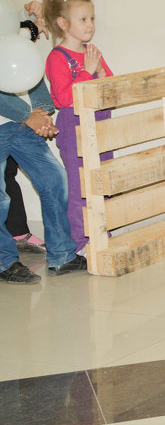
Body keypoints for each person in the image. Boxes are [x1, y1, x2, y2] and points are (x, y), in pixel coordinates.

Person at [42, 0, 111, 264]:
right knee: (80, 184)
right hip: (74, 126)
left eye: (91, 18)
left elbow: (108, 83)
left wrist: (101, 75)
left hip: (100, 122)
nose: (90, 24)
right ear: (62, 23)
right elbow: (64, 97)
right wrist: (88, 72)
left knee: (102, 180)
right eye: (82, 19)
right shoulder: (57, 57)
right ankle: (82, 242)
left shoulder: (92, 52)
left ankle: (104, 231)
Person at [0, 69, 81, 281]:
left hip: (23, 124)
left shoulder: (18, 34)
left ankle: (62, 255)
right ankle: (3, 263)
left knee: (54, 181)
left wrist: (42, 113)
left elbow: (30, 69)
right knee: (0, 198)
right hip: (15, 119)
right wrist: (28, 116)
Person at [0, 0, 48, 255]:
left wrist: (33, 17)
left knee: (9, 173)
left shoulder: (7, 14)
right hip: (11, 114)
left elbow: (15, 37)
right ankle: (11, 241)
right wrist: (30, 27)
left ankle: (18, 231)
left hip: (10, 116)